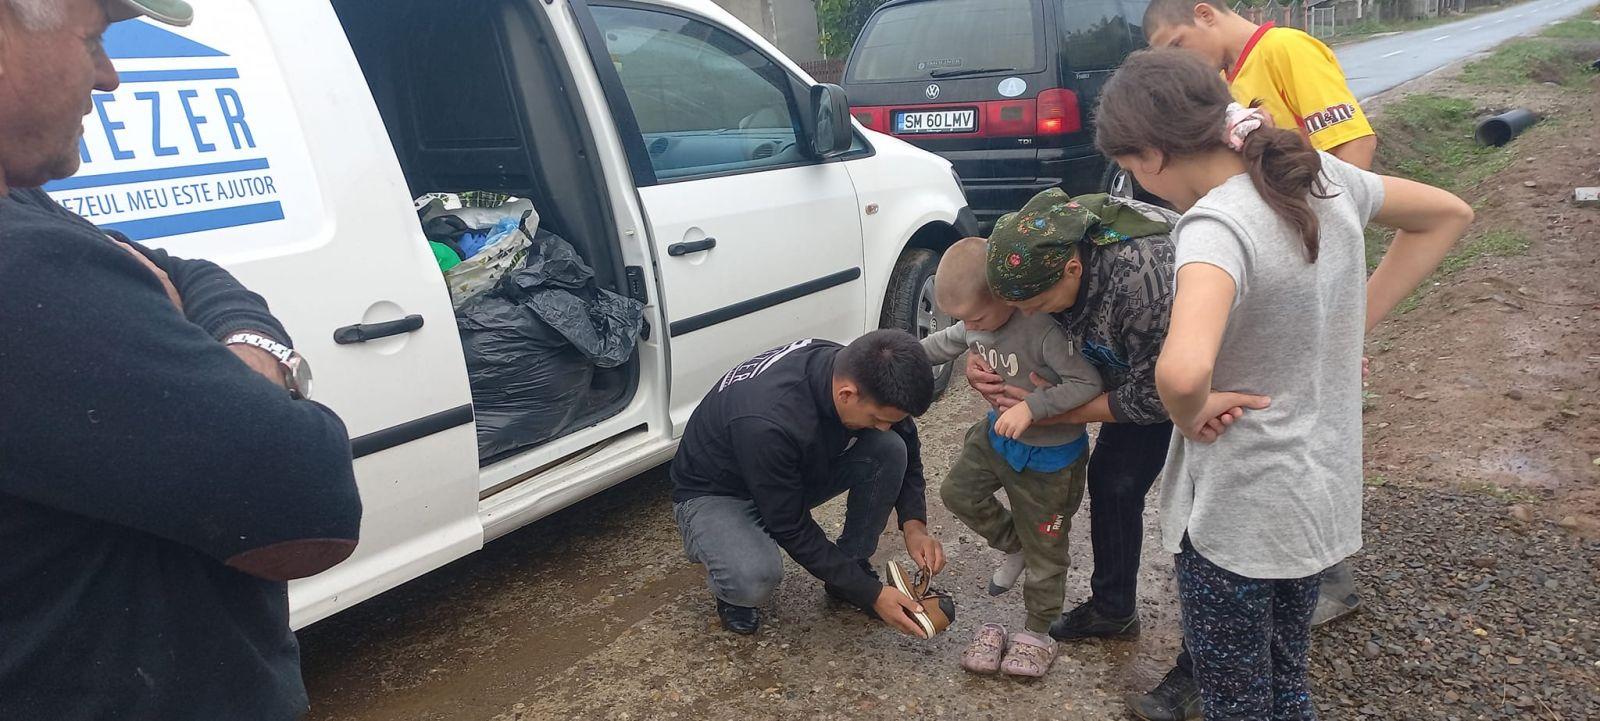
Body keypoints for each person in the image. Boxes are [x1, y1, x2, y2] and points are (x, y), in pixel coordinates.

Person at [0, 1, 366, 719]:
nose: (108, 77)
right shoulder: (18, 267)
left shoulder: (24, 206)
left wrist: (237, 340)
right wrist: (262, 376)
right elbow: (309, 499)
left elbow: (186, 268)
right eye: (95, 40)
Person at [1095, 48, 1471, 720]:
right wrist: (1352, 318)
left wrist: (1189, 410)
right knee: (1287, 685)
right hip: (1316, 501)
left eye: (1129, 170)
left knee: (1236, 701)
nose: (1139, 183)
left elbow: (1181, 371)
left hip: (1238, 516)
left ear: (1151, 156)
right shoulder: (1320, 176)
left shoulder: (1215, 226)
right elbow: (1448, 214)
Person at [964, 180, 1180, 653]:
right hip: (1104, 362)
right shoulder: (1028, 245)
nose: (1026, 315)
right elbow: (996, 323)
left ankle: (1119, 609)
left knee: (1119, 482)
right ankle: (1116, 610)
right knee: (1110, 480)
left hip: (1174, 373)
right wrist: (978, 356)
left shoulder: (1145, 283)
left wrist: (1051, 412)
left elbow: (1158, 397)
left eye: (1036, 307)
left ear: (1073, 269)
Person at [670, 330, 947, 637]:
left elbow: (905, 440)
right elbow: (790, 526)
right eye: (877, 418)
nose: (885, 426)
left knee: (890, 448)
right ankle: (731, 589)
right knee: (754, 578)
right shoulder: (768, 422)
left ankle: (851, 564)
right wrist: (871, 594)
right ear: (847, 395)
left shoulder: (860, 372)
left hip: (785, 469)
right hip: (718, 491)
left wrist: (914, 526)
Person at [919, 236, 1101, 677]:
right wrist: (891, 358)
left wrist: (1032, 407)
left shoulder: (1043, 330)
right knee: (957, 492)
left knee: (1048, 555)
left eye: (976, 317)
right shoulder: (974, 320)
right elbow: (943, 343)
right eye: (962, 319)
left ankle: (1037, 632)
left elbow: (1088, 384)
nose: (970, 327)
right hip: (997, 439)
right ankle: (1014, 543)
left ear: (1006, 295)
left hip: (1049, 459)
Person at [1143, 0, 1378, 170]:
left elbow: (1354, 143)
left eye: (1178, 45)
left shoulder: (1285, 48)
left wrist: (1325, 224)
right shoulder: (1223, 82)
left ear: (1205, 14)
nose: (1180, 61)